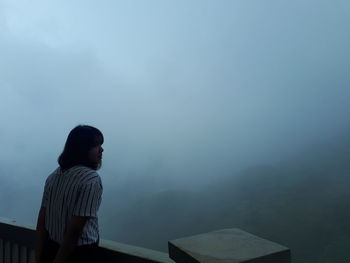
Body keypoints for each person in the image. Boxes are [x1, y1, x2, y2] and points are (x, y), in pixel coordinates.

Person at [35, 125, 104, 263]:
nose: (101, 150)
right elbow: (75, 230)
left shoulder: (54, 176)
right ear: (83, 149)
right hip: (79, 253)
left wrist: (39, 257)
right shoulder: (91, 179)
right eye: (97, 145)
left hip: (51, 248)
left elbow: (42, 221)